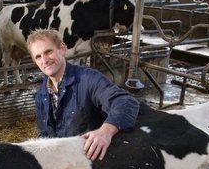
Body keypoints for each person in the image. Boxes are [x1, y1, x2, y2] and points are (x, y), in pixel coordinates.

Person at [27, 29, 140, 160]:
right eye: (38, 56)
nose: (44, 60)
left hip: (93, 161)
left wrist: (106, 131)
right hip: (65, 163)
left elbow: (125, 101)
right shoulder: (42, 95)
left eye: (48, 52)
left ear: (62, 49)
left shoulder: (88, 78)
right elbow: (45, 135)